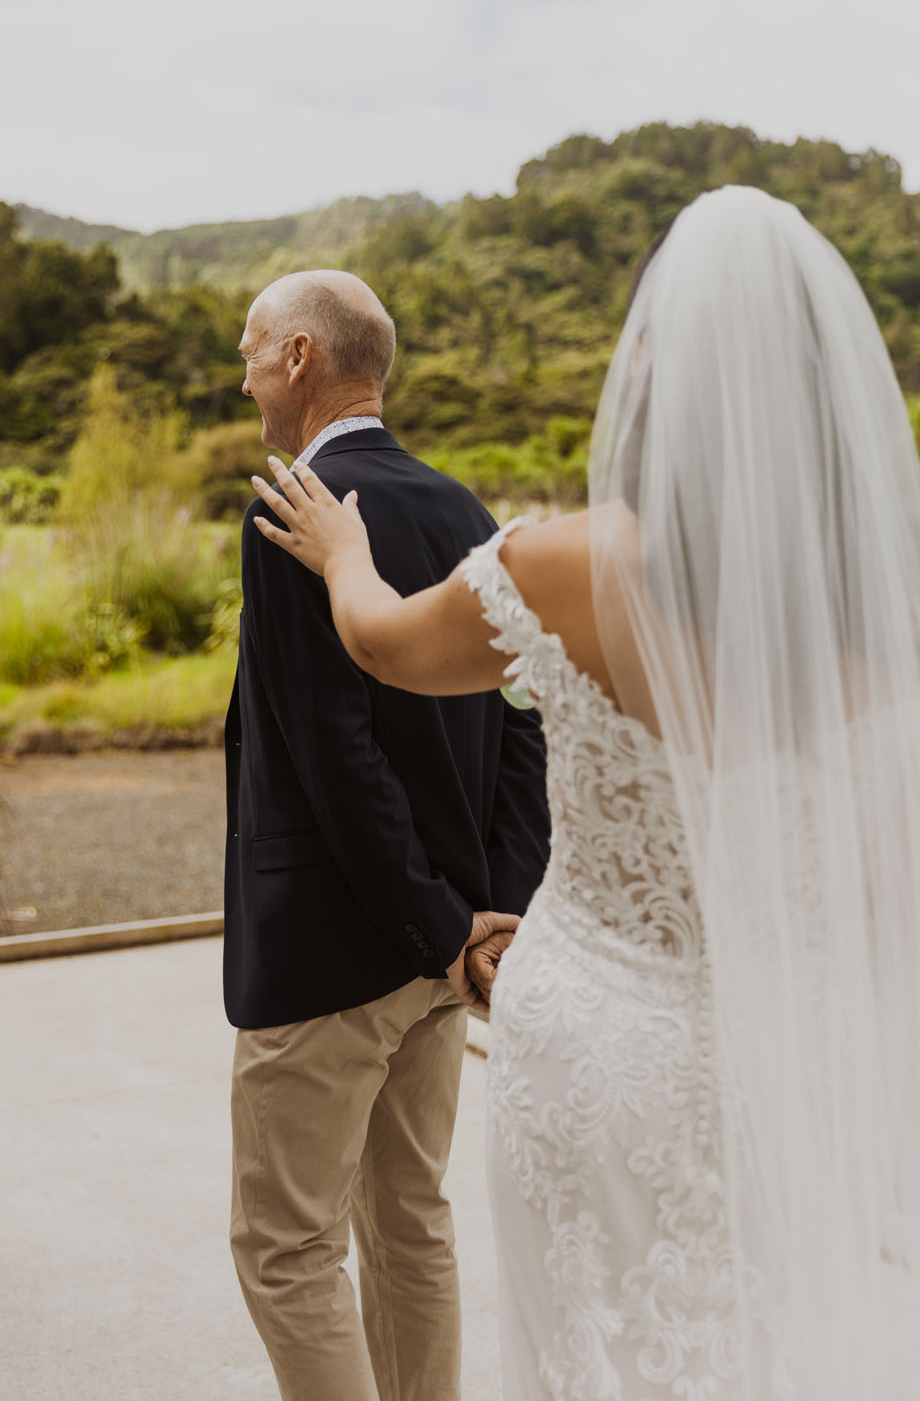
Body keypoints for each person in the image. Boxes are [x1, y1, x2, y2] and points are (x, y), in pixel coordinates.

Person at [248, 191, 920, 1400]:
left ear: (650, 376)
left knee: (586, 1354)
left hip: (589, 1053)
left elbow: (384, 645)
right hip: (792, 1068)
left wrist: (344, 556)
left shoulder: (562, 567)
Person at [224, 269, 550, 1401]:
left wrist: (429, 921)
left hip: (335, 949)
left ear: (304, 357)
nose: (246, 365)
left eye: (255, 344)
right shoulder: (463, 508)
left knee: (285, 1247)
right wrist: (486, 919)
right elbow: (525, 735)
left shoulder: (294, 509)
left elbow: (330, 754)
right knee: (411, 1223)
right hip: (450, 948)